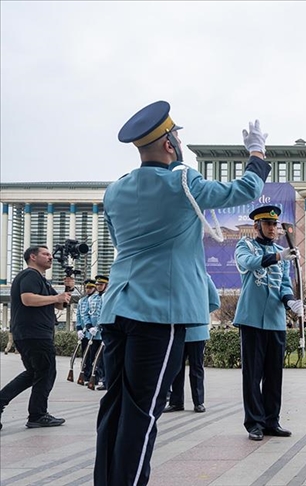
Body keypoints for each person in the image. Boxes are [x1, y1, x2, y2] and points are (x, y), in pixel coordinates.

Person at [94, 100, 270, 485]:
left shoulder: (115, 190)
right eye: (177, 136)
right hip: (160, 312)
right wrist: (257, 154)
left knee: (114, 407)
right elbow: (242, 189)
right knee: (142, 412)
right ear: (170, 144)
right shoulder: (181, 181)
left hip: (117, 309)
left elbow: (122, 245)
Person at [234, 205, 302, 441]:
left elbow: (284, 284)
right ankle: (254, 422)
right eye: (268, 224)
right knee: (252, 375)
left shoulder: (281, 254)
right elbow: (250, 263)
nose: (273, 228)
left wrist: (291, 302)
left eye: (275, 224)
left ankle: (272, 420)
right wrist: (278, 256)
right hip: (251, 318)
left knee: (274, 374)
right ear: (257, 226)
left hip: (275, 320)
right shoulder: (245, 246)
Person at [0, 245, 73, 430]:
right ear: (33, 257)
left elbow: (59, 306)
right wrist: (56, 297)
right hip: (34, 334)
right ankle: (38, 415)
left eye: (50, 254)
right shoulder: (29, 275)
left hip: (34, 334)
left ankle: (7, 403)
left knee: (34, 373)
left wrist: (66, 290)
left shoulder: (41, 279)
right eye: (45, 254)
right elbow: (28, 299)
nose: (50, 257)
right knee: (47, 372)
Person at [164, 276, 217, 414]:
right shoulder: (176, 276)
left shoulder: (204, 277)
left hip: (197, 331)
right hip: (177, 330)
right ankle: (176, 402)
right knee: (175, 368)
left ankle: (199, 402)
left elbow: (215, 302)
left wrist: (199, 314)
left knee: (196, 368)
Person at [86, 275, 108, 390]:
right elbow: (87, 314)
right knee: (93, 357)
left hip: (103, 332)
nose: (99, 287)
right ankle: (95, 377)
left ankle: (105, 380)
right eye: (98, 285)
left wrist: (99, 326)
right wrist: (88, 326)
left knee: (105, 358)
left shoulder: (107, 297)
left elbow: (104, 313)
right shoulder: (91, 299)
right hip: (93, 333)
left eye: (101, 285)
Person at [75, 279, 96, 382]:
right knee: (85, 354)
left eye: (90, 288)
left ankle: (94, 374)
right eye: (87, 287)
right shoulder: (81, 301)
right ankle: (85, 374)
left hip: (93, 332)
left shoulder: (95, 299)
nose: (88, 290)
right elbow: (79, 316)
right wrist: (79, 329)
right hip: (84, 332)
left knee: (93, 355)